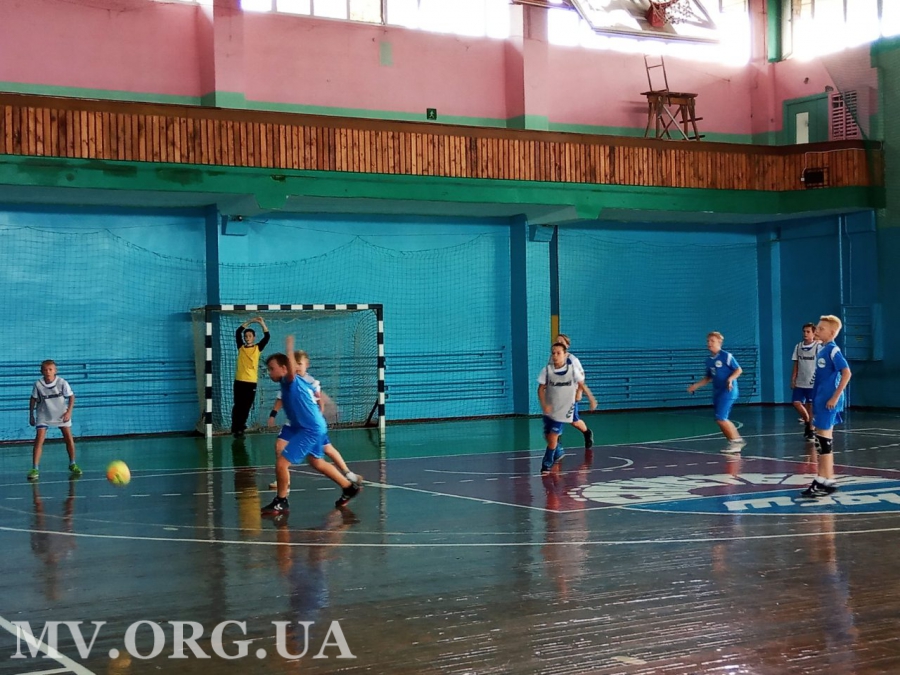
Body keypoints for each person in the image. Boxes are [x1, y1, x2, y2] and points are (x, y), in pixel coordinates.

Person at [261, 337, 360, 514]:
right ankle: (348, 487)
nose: (269, 372)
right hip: (313, 427)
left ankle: (281, 501)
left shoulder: (290, 381)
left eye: (271, 368)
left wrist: (289, 348)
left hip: (310, 429)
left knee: (282, 463)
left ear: (284, 368)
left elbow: (292, 373)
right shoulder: (298, 382)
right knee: (316, 461)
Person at [800, 315, 851, 498]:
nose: (817, 331)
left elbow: (846, 373)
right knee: (822, 440)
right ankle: (825, 479)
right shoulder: (822, 349)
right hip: (821, 399)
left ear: (831, 332)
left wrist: (835, 397)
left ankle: (824, 480)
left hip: (829, 401)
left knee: (823, 441)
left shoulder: (833, 350)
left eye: (821, 329)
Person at [687, 332, 745, 451]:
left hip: (728, 390)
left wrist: (730, 379)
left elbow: (739, 370)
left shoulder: (726, 356)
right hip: (718, 391)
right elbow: (708, 377)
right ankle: (735, 441)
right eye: (708, 341)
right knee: (720, 418)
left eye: (712, 341)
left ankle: (736, 442)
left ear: (719, 342)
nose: (709, 343)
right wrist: (696, 385)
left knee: (721, 418)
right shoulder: (709, 360)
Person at [28, 360, 81, 481]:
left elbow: (71, 397)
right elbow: (33, 399)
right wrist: (31, 415)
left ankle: (73, 463)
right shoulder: (38, 384)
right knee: (39, 440)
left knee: (68, 438)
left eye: (50, 369)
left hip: (61, 413)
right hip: (44, 414)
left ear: (55, 371)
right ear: (41, 371)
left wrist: (69, 412)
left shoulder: (62, 382)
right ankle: (35, 468)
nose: (48, 372)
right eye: (45, 370)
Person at [538, 343, 586, 474]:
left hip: (565, 406)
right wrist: (544, 404)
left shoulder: (573, 366)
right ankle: (558, 452)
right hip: (551, 405)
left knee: (554, 435)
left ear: (565, 353)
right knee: (548, 435)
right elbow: (541, 388)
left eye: (558, 352)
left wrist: (580, 393)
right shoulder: (548, 369)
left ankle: (547, 464)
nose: (555, 355)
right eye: (553, 353)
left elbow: (581, 381)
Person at [553, 334, 598, 448]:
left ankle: (587, 432)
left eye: (562, 342)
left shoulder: (572, 360)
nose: (559, 343)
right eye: (557, 341)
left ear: (567, 346)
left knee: (574, 421)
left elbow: (581, 377)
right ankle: (556, 444)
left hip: (570, 394)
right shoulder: (553, 358)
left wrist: (579, 392)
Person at [232, 316, 270, 438]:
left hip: (251, 382)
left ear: (254, 337)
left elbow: (267, 337)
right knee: (238, 405)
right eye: (246, 336)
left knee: (246, 405)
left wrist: (261, 323)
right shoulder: (241, 347)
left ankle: (241, 425)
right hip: (239, 380)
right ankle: (236, 427)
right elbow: (238, 331)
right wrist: (250, 321)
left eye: (250, 336)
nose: (247, 338)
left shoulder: (257, 348)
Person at [791, 322, 820, 441]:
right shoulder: (798, 346)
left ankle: (811, 430)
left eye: (808, 331)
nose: (805, 334)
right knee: (796, 402)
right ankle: (808, 421)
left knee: (810, 405)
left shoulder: (818, 346)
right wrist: (793, 379)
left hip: (813, 381)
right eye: (804, 331)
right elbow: (796, 364)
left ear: (814, 333)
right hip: (801, 380)